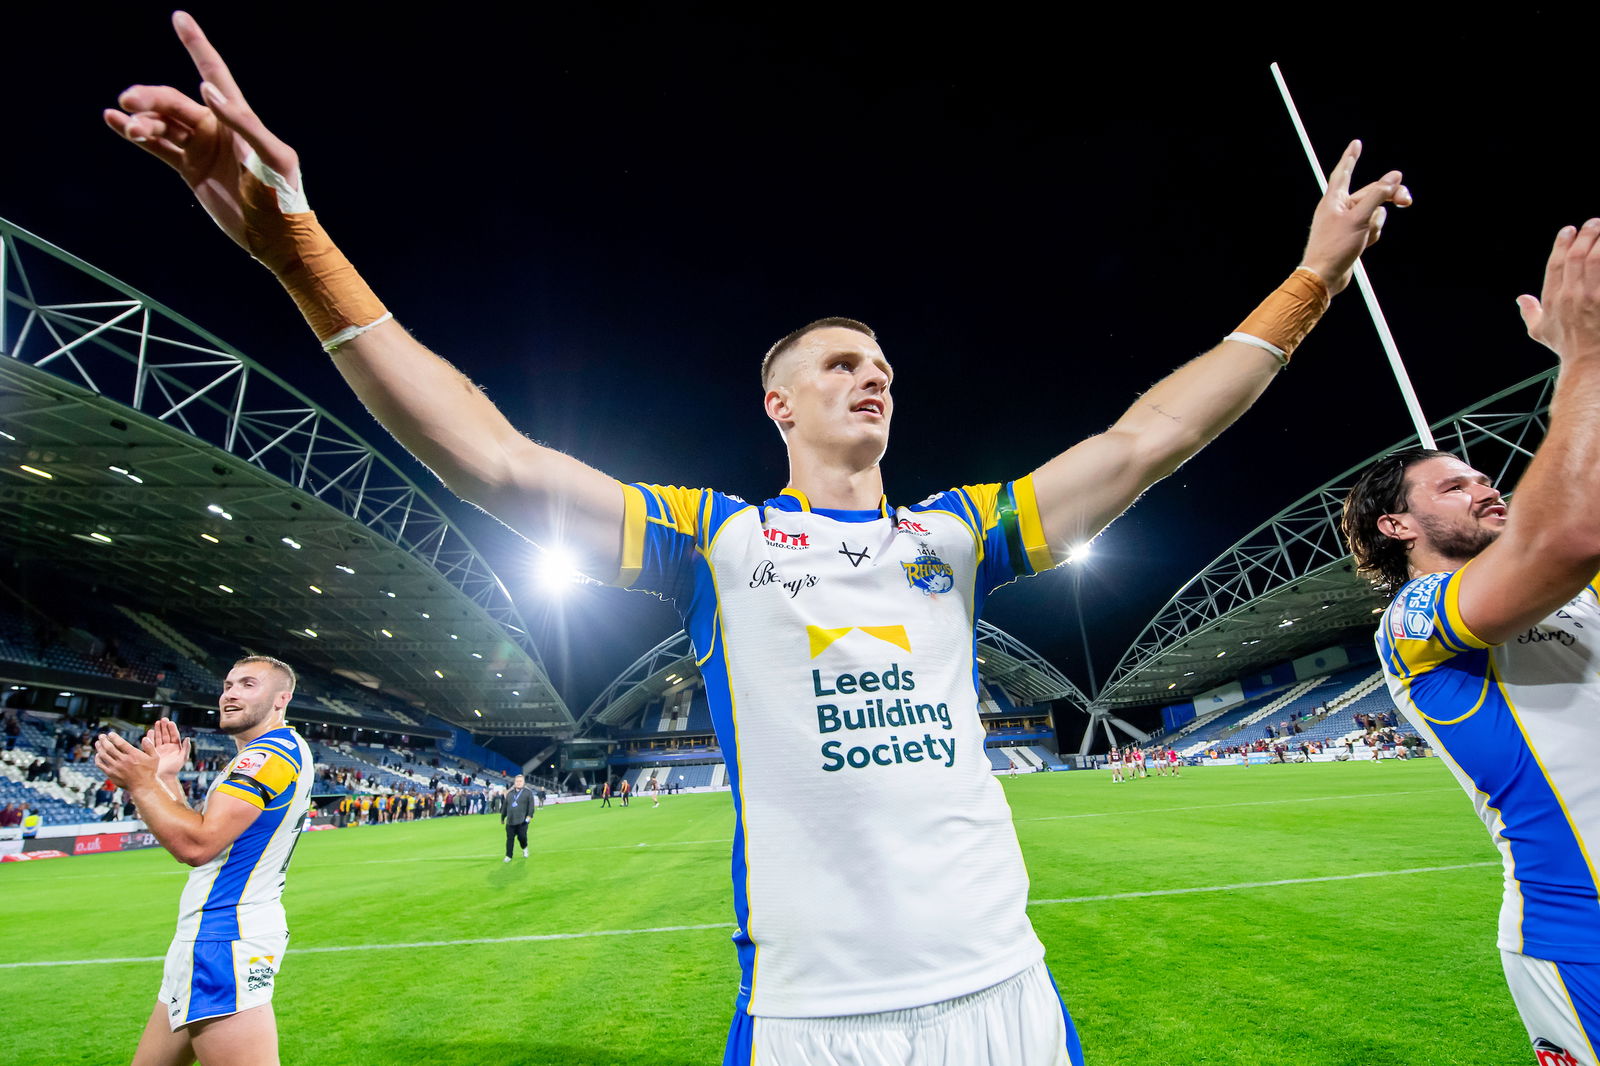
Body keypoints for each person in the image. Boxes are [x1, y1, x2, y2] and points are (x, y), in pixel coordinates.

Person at [107, 14, 1407, 1064]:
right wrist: (296, 246)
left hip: (1004, 994)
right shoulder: (714, 542)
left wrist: (1311, 281)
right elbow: (491, 453)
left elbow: (1148, 437)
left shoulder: (958, 534)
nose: (874, 374)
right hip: (810, 1021)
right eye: (841, 361)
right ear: (776, 401)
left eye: (885, 360)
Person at [1341, 219, 1600, 1066]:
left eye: (1487, 477)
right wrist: (1582, 358)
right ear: (1397, 524)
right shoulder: (1414, 622)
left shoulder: (1579, 590)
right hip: (1581, 936)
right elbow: (1562, 535)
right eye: (1457, 486)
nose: (1488, 489)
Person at [93, 655, 313, 1066]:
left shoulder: (267, 756)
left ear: (282, 699)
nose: (230, 694)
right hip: (211, 935)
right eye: (228, 685)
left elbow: (197, 846)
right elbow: (195, 830)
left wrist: (142, 784)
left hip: (223, 937)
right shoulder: (271, 752)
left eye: (248, 685)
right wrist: (166, 780)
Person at [501, 773, 535, 863]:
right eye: (517, 781)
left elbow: (531, 806)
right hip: (510, 821)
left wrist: (529, 816)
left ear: (523, 782)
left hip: (522, 821)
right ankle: (508, 855)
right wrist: (502, 817)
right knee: (509, 839)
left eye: (520, 781)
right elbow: (505, 806)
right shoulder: (510, 794)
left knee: (522, 837)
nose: (518, 783)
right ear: (514, 782)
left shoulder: (528, 793)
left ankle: (524, 848)